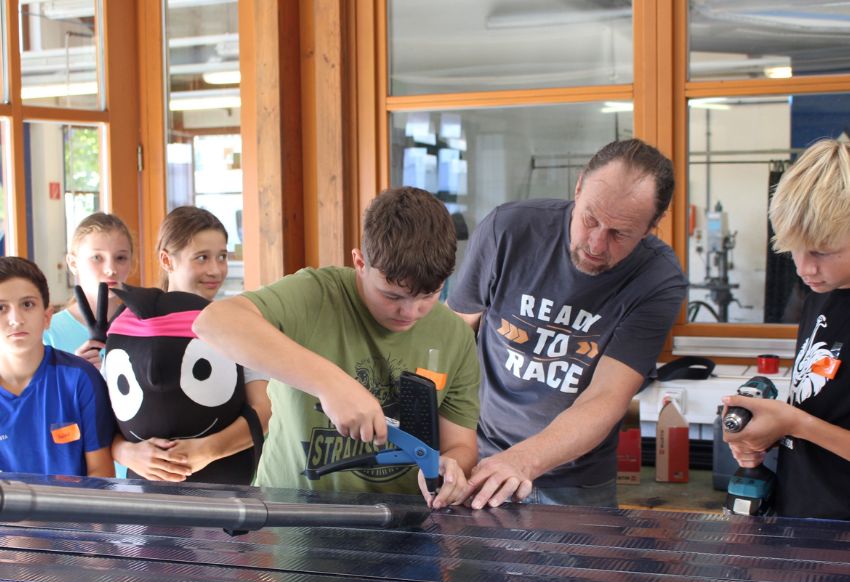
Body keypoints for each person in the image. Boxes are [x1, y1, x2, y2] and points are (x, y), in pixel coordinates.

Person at [194, 186, 480, 508]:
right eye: (392, 296)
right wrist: (330, 384)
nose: (410, 312)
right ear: (359, 262)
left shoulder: (455, 335)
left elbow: (461, 445)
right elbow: (214, 322)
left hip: (406, 530)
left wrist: (451, 467)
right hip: (290, 520)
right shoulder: (315, 295)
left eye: (429, 295)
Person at [448, 138, 688, 509]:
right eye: (590, 218)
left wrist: (522, 460)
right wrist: (449, 443)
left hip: (576, 484)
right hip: (477, 459)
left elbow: (606, 396)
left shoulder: (657, 278)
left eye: (619, 233)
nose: (595, 243)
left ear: (651, 226)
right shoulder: (508, 230)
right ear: (578, 188)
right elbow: (452, 338)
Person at [722, 138, 850, 520]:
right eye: (794, 248)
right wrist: (766, 433)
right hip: (803, 514)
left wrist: (794, 421)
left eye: (823, 252)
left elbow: (809, 424)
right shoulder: (820, 293)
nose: (804, 268)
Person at [111, 206, 271, 484]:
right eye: (202, 258)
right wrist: (126, 453)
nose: (215, 270)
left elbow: (264, 409)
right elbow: (104, 415)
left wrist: (206, 451)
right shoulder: (129, 324)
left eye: (222, 257)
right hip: (143, 493)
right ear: (166, 260)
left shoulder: (237, 324)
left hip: (226, 490)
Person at [0, 257, 114, 477]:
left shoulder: (80, 379)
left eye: (27, 304)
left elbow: (101, 472)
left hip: (73, 510)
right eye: (1, 307)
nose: (16, 319)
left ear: (47, 316)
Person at [43, 212, 133, 370]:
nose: (111, 269)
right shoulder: (49, 333)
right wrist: (75, 374)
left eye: (120, 258)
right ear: (73, 263)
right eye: (97, 258)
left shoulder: (143, 325)